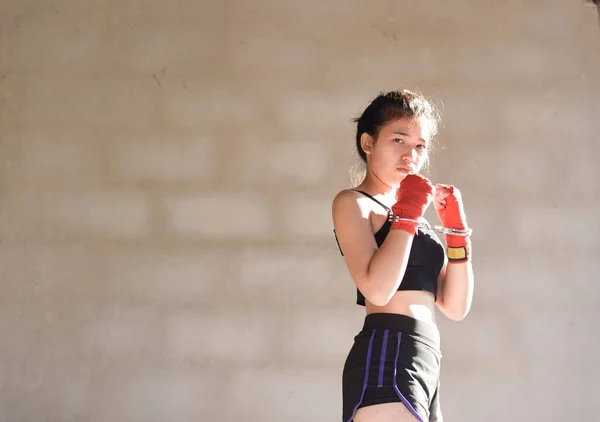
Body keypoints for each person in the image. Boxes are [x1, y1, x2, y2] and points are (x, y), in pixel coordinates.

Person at [331, 90, 474, 422]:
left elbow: (455, 306)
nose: (411, 155)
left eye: (420, 146)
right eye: (399, 140)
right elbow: (377, 289)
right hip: (387, 349)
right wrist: (407, 212)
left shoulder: (416, 219)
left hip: (426, 355)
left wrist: (455, 231)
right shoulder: (354, 203)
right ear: (368, 143)